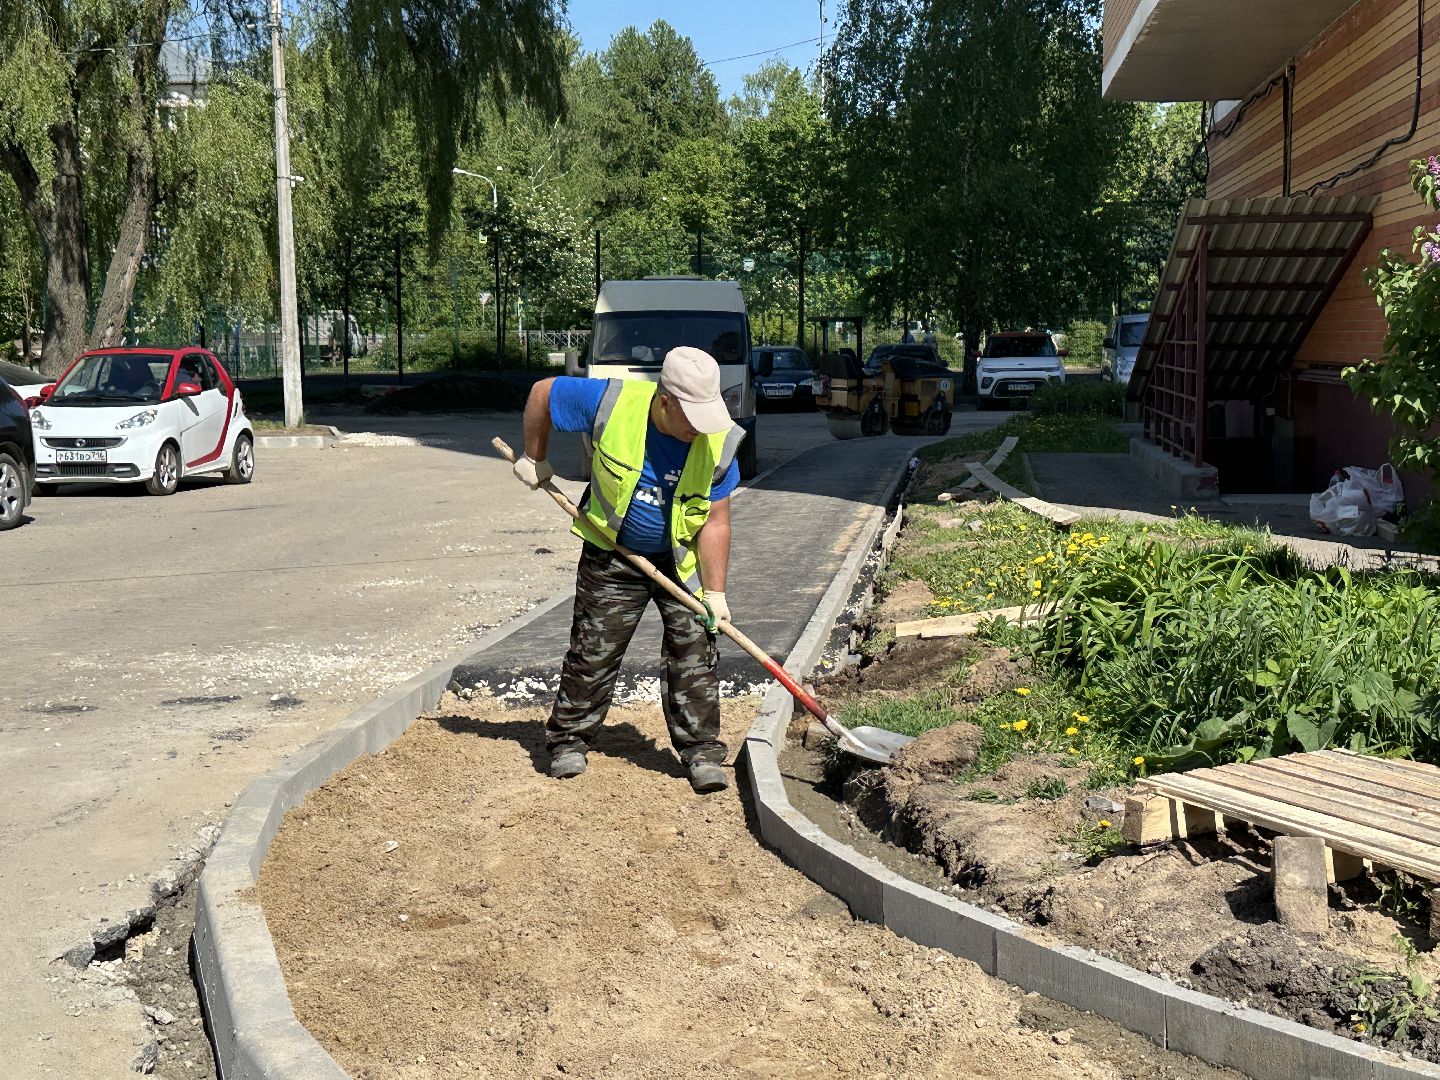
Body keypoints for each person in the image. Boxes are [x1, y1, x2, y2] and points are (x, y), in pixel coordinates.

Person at [513, 346, 744, 794]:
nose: (700, 428)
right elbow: (542, 393)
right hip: (612, 553)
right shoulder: (611, 402)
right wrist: (535, 455)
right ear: (664, 401)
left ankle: (701, 752)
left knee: (695, 651)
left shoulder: (720, 440)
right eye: (691, 417)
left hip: (681, 564)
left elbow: (716, 522)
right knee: (593, 650)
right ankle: (568, 742)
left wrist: (715, 593)